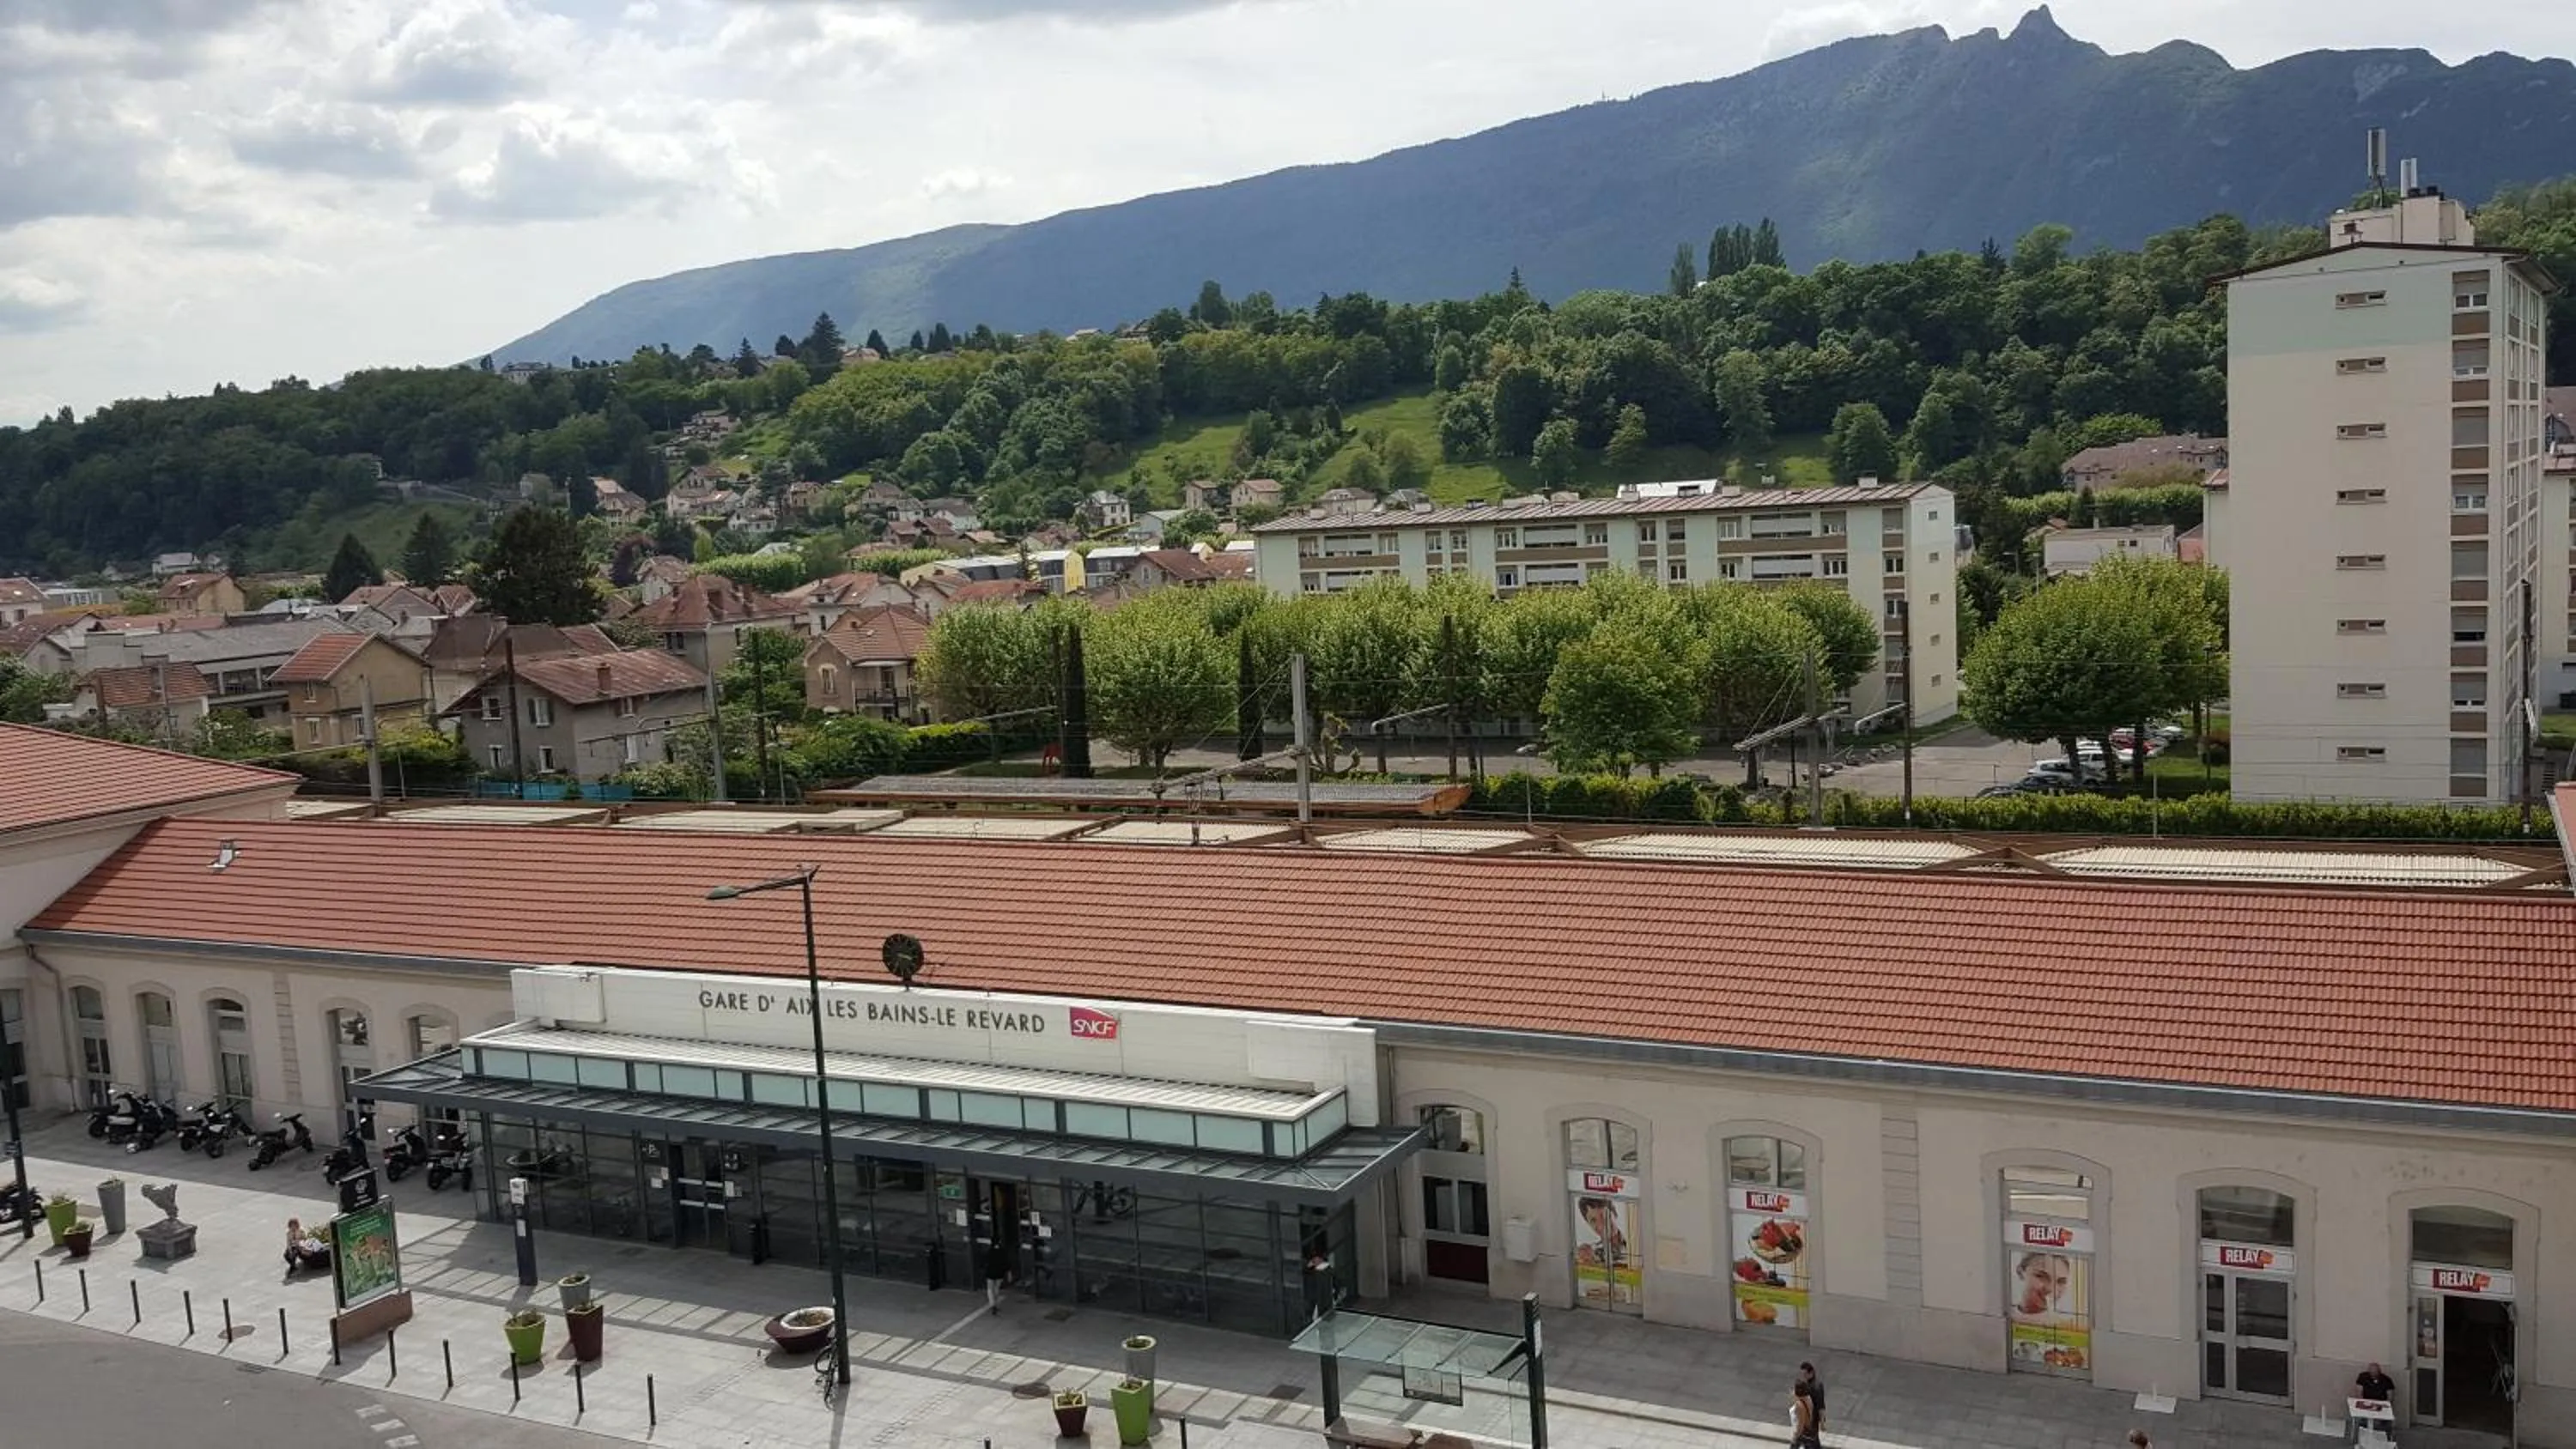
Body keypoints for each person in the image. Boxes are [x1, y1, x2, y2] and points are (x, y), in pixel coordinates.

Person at [1795, 1362, 1826, 1445]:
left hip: (1812, 1419)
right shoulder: (1810, 1383)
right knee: (1812, 1441)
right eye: (1802, 1374)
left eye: (1805, 1374)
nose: (1803, 1376)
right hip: (1809, 1418)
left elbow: (1821, 1406)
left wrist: (1822, 1422)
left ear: (1811, 1373)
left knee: (1809, 1441)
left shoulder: (1816, 1387)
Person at [1789, 1382, 1820, 1449]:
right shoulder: (1808, 1398)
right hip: (1810, 1431)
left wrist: (1795, 1436)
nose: (1793, 1390)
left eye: (1794, 1389)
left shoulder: (1800, 1405)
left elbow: (1801, 1424)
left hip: (1803, 1433)